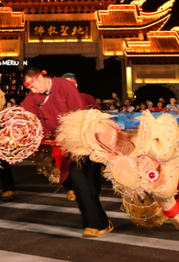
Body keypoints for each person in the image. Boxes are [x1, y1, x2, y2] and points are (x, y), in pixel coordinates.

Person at [21, 68, 112, 237]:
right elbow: (22, 115)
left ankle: (92, 225)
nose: (33, 92)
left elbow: (79, 116)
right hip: (62, 147)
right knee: (81, 184)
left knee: (79, 178)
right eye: (30, 89)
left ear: (42, 76)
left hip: (81, 142)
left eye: (34, 87)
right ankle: (101, 222)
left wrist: (70, 137)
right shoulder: (33, 96)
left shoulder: (64, 86)